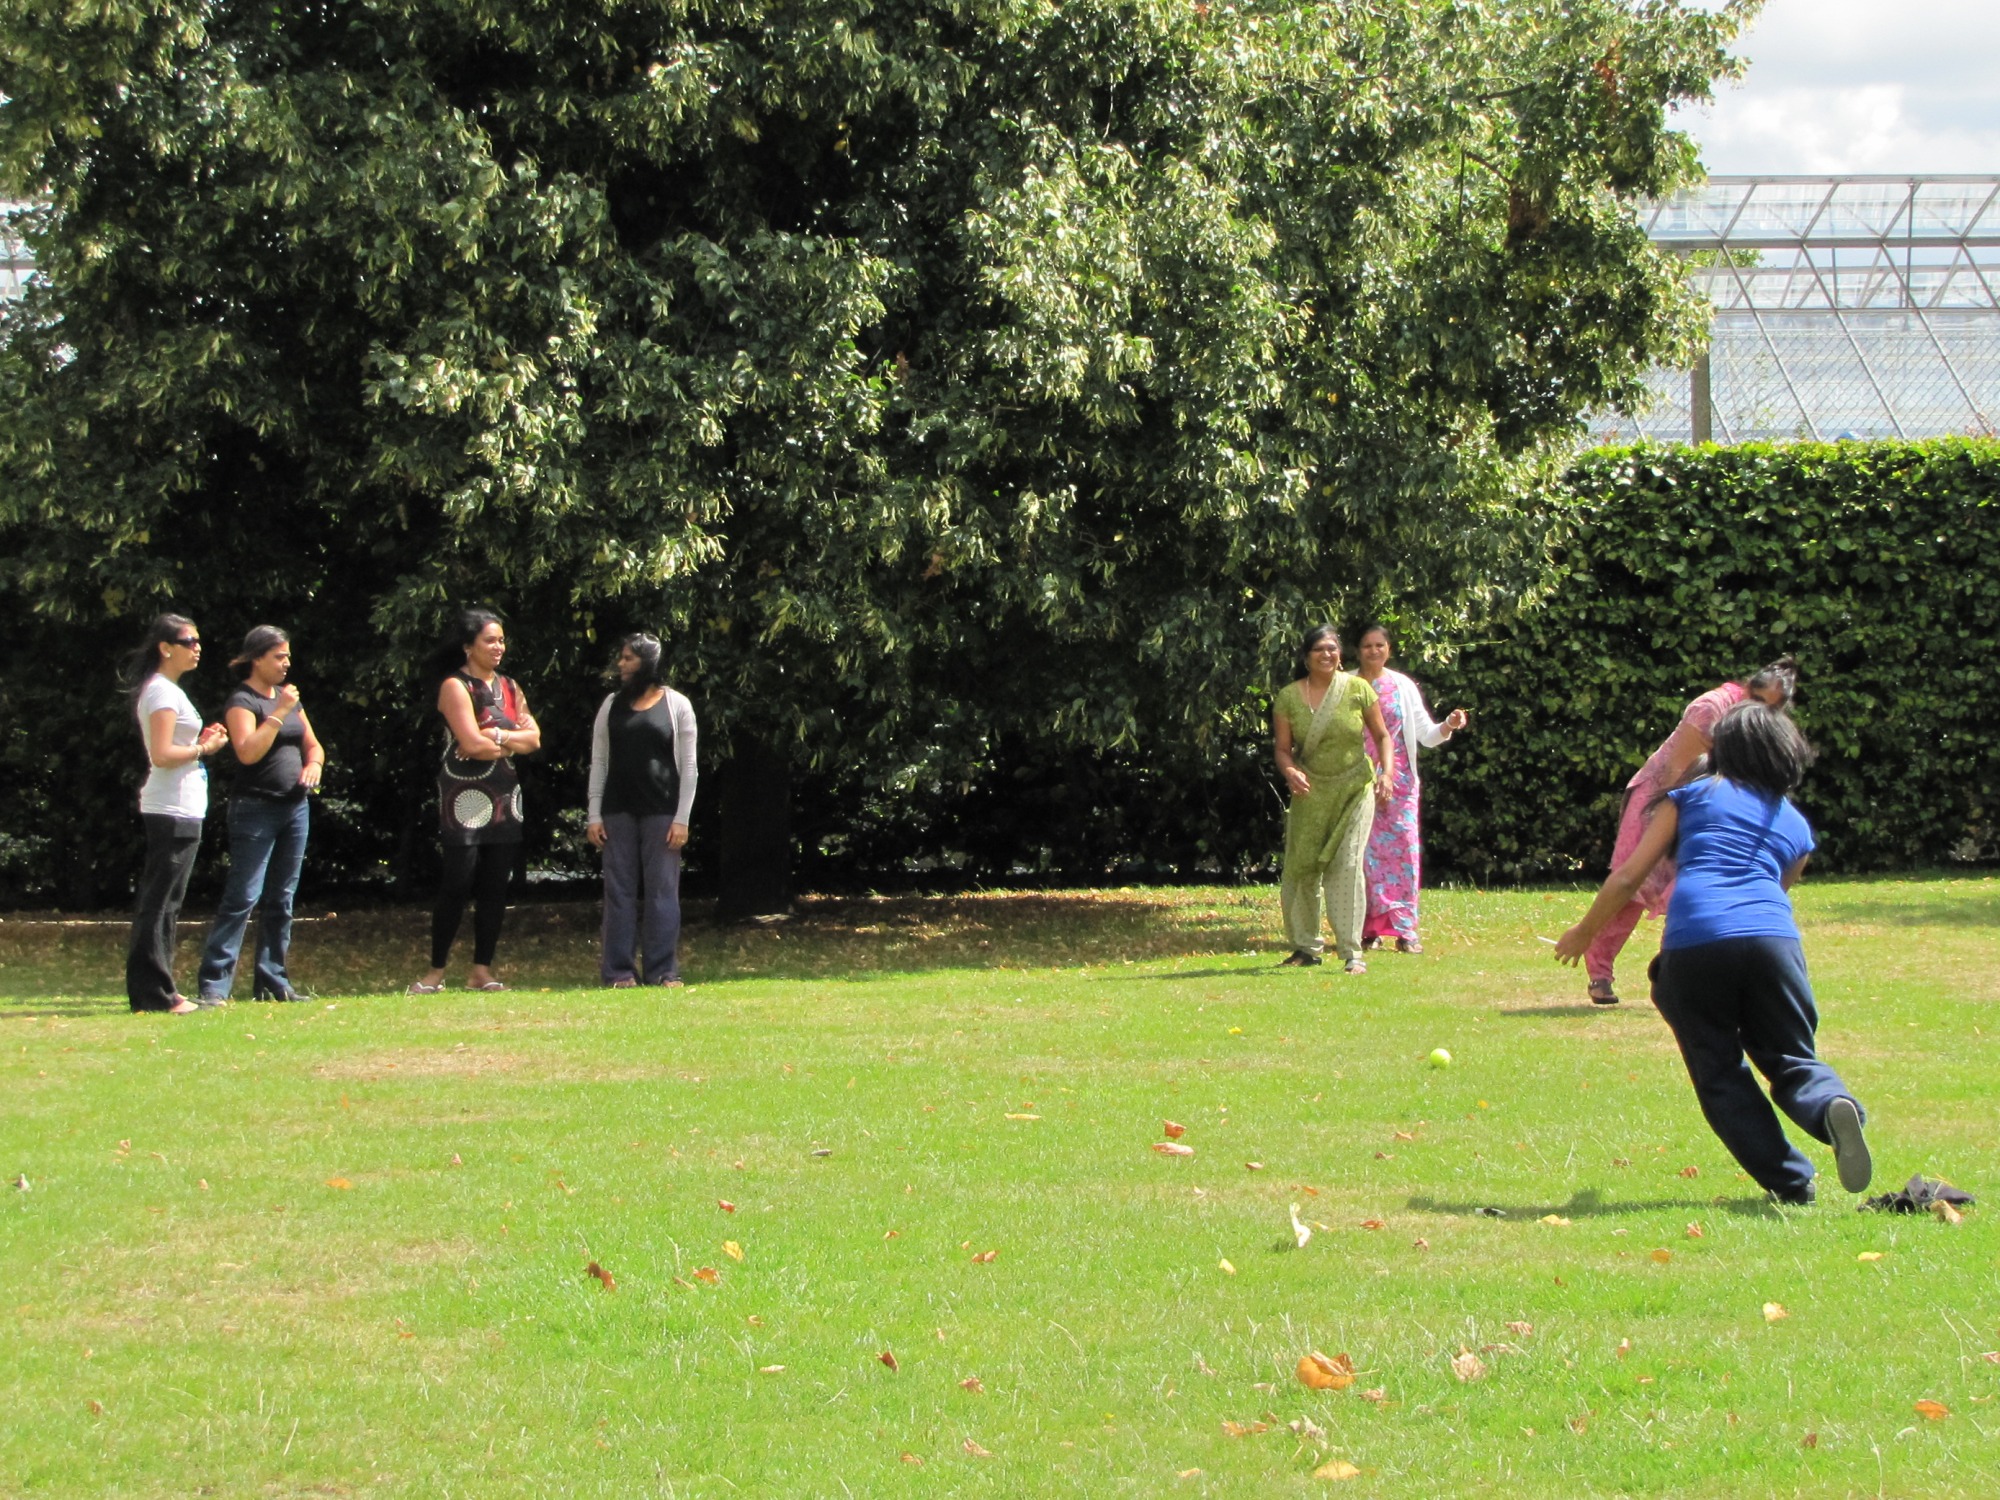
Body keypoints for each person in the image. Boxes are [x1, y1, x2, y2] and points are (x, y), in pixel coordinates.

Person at [1553, 702, 1870, 1205]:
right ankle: (1830, 1102)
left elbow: (1629, 876)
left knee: (1718, 1068)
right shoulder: (1796, 825)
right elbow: (1779, 889)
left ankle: (1791, 1181)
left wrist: (1585, 932)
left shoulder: (1693, 794)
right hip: (1774, 942)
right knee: (1789, 1054)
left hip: (1697, 940)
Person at [1583, 656, 1799, 1005]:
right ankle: (1600, 972)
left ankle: (1675, 969)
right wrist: (1677, 821)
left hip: (1708, 805)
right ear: (1747, 687)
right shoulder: (1709, 709)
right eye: (1757, 701)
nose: (1761, 713)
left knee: (1686, 887)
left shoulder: (1760, 724)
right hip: (1662, 799)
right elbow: (1675, 770)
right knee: (1632, 883)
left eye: (1770, 709)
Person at [408, 608, 541, 994]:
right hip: (463, 796)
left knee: (495, 886)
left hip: (505, 795)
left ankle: (482, 970)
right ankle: (435, 972)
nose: (499, 647)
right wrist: (509, 739)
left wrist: (495, 738)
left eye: (501, 640)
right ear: (468, 646)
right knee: (457, 881)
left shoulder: (511, 687)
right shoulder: (455, 686)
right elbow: (470, 743)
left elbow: (534, 740)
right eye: (490, 640)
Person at [195, 627, 324, 1003]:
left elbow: (314, 745)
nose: (286, 663)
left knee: (282, 898)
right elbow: (247, 752)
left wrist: (314, 765)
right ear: (257, 659)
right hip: (255, 809)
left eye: (288, 656)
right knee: (243, 896)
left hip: (295, 808)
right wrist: (279, 712)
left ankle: (272, 981)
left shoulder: (290, 699)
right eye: (279, 656)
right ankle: (214, 985)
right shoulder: (243, 701)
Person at [1273, 625, 1397, 973]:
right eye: (1319, 649)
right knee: (1303, 868)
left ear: (1340, 654)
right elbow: (1282, 749)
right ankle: (1306, 948)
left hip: (1355, 789)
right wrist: (1290, 771)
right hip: (1310, 793)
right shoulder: (1288, 697)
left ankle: (1351, 951)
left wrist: (1386, 774)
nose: (1326, 655)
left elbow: (1382, 736)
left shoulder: (1358, 689)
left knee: (1347, 865)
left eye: (1332, 649)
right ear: (1306, 657)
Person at [124, 614, 229, 1013]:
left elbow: (172, 746)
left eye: (198, 641)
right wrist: (204, 749)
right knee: (159, 903)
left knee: (167, 903)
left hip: (182, 806)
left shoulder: (168, 690)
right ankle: (155, 994)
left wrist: (199, 741)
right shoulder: (161, 692)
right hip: (170, 807)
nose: (197, 648)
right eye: (189, 642)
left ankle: (161, 990)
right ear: (165, 648)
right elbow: (162, 754)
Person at [586, 633, 698, 987]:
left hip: (662, 812)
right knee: (618, 892)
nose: (621, 664)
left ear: (648, 663)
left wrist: (682, 818)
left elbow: (689, 766)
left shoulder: (677, 705)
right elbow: (599, 761)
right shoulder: (611, 705)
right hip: (617, 811)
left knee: (662, 891)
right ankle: (618, 971)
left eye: (629, 658)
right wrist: (594, 814)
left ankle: (663, 970)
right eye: (621, 657)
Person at [1354, 624, 1469, 954]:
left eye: (1380, 645)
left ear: (1388, 649)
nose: (1374, 651)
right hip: (1357, 784)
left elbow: (1427, 735)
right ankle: (1368, 929)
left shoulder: (1402, 686)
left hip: (1400, 786)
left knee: (1404, 854)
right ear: (1358, 650)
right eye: (1367, 645)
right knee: (1362, 857)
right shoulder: (1347, 685)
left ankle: (1405, 930)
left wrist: (1448, 725)